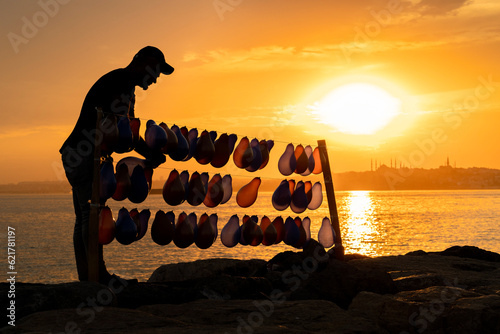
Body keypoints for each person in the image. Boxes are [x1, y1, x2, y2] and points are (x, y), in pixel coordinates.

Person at [60, 46, 174, 284]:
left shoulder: (125, 86)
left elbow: (126, 131)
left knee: (85, 215)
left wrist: (149, 151)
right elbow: (124, 132)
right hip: (84, 154)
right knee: (90, 215)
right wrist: (150, 151)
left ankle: (90, 276)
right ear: (141, 63)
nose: (154, 80)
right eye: (154, 72)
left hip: (82, 154)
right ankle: (95, 277)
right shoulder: (120, 82)